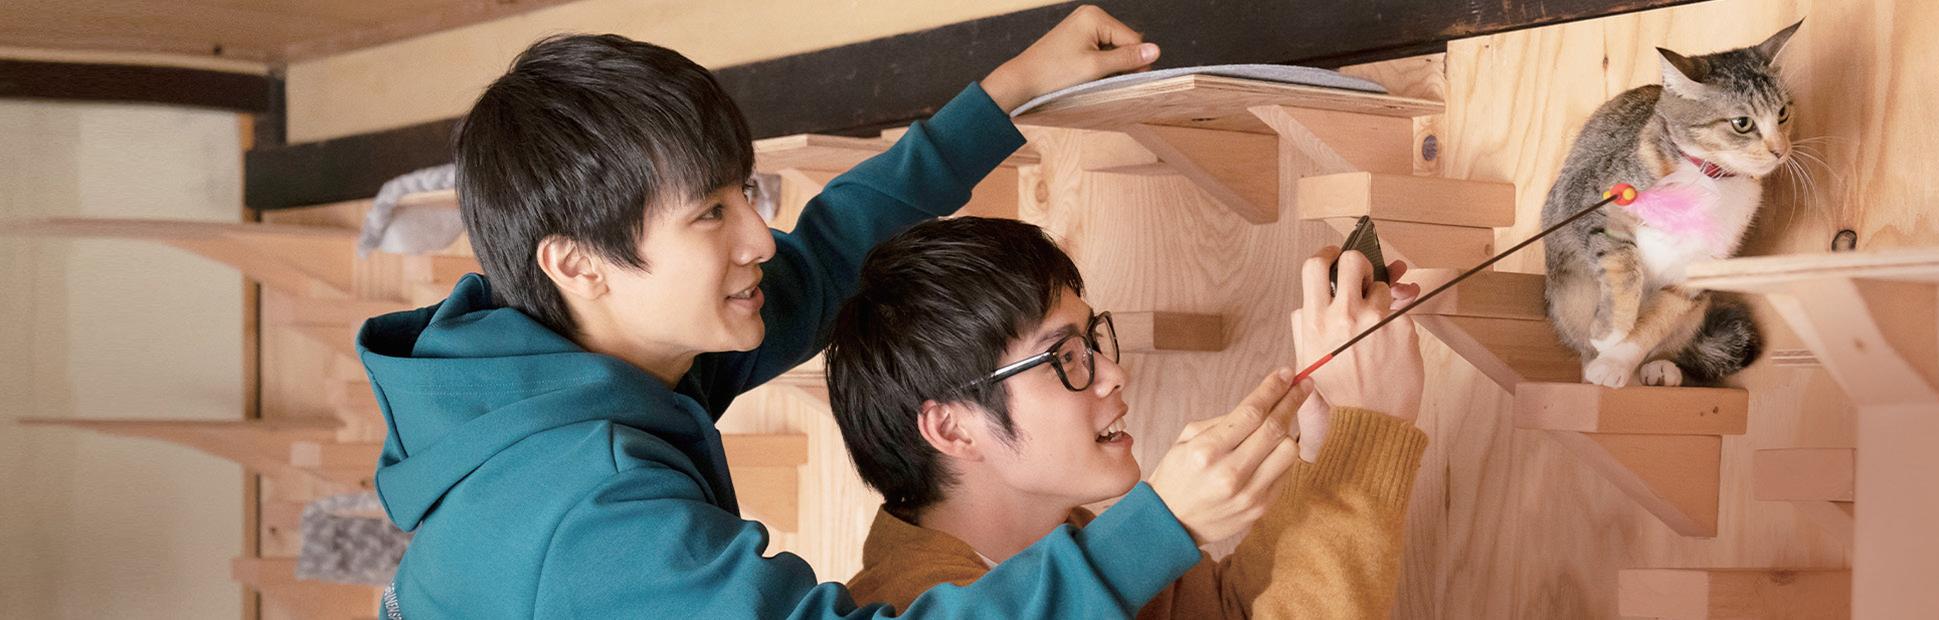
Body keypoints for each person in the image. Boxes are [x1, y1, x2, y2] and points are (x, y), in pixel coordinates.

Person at [356, 7, 1302, 617]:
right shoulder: (593, 514)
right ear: (577, 262)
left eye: (744, 193)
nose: (759, 240)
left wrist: (1008, 92)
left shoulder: (576, 361)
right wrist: (1159, 524)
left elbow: (827, 255)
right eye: (710, 215)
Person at [826, 217, 1431, 618]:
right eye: (1064, 358)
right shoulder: (906, 604)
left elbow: (1230, 612)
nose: (1113, 373)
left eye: (1092, 339)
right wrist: (1368, 437)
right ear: (952, 428)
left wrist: (1333, 438)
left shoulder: (1077, 543)